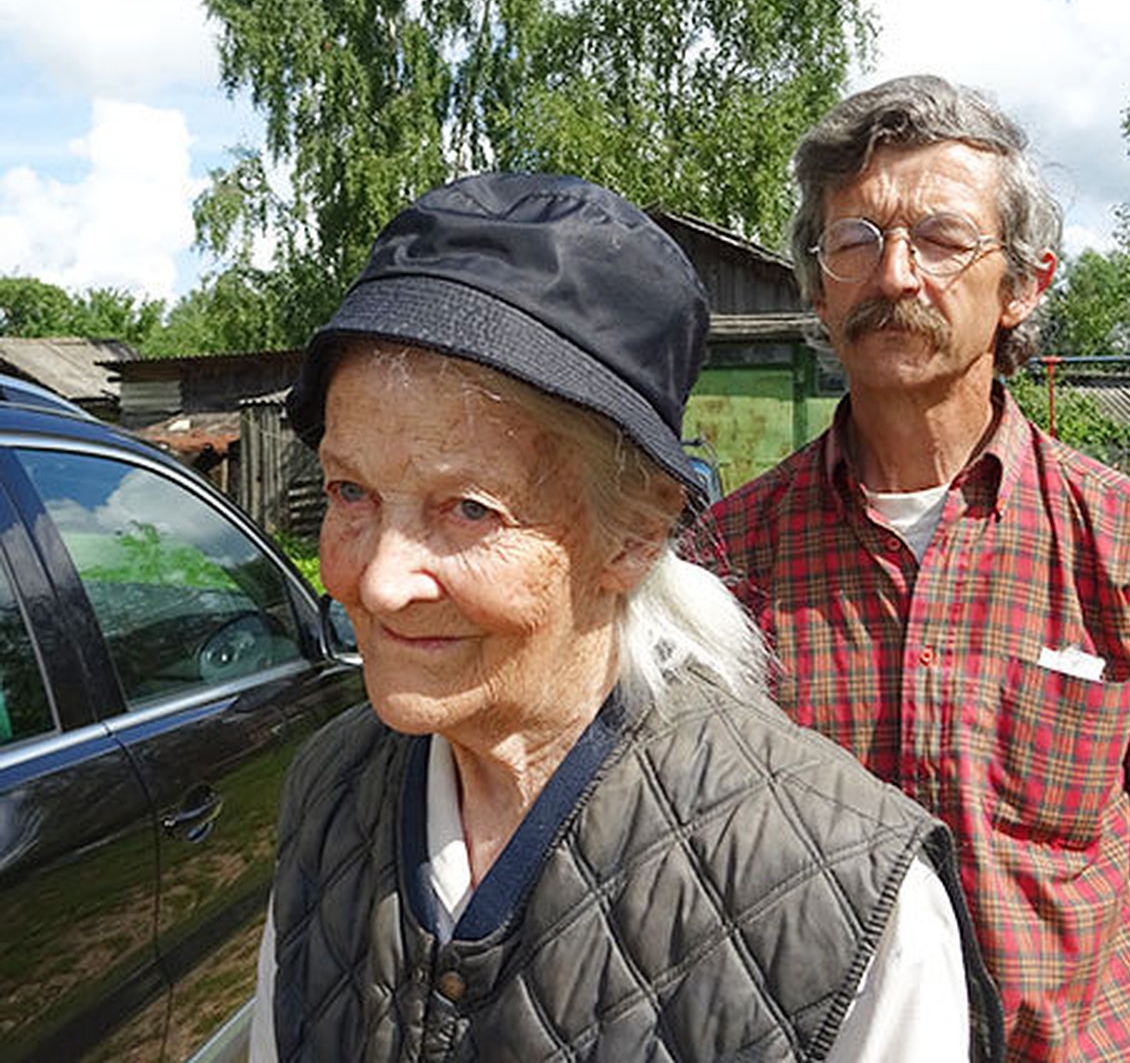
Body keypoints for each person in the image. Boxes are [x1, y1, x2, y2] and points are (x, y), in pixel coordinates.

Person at [247, 172, 1002, 1061]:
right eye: (351, 492)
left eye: (468, 509)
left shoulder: (846, 895)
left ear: (636, 534)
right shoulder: (333, 790)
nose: (377, 582)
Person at [695, 74, 1130, 1061]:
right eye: (855, 240)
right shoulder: (723, 565)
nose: (894, 274)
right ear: (816, 284)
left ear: (1023, 284)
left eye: (941, 238)